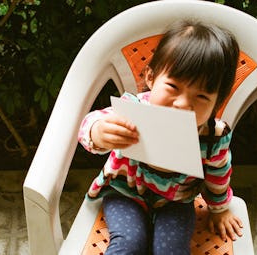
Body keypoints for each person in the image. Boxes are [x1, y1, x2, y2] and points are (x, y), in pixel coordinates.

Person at [77, 20, 243, 254]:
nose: (183, 104)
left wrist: (220, 209)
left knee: (171, 251)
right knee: (128, 243)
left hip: (175, 202)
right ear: (151, 78)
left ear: (218, 101)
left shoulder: (214, 136)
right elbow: (89, 125)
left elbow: (218, 174)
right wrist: (100, 132)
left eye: (202, 96)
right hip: (125, 193)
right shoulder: (133, 110)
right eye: (173, 87)